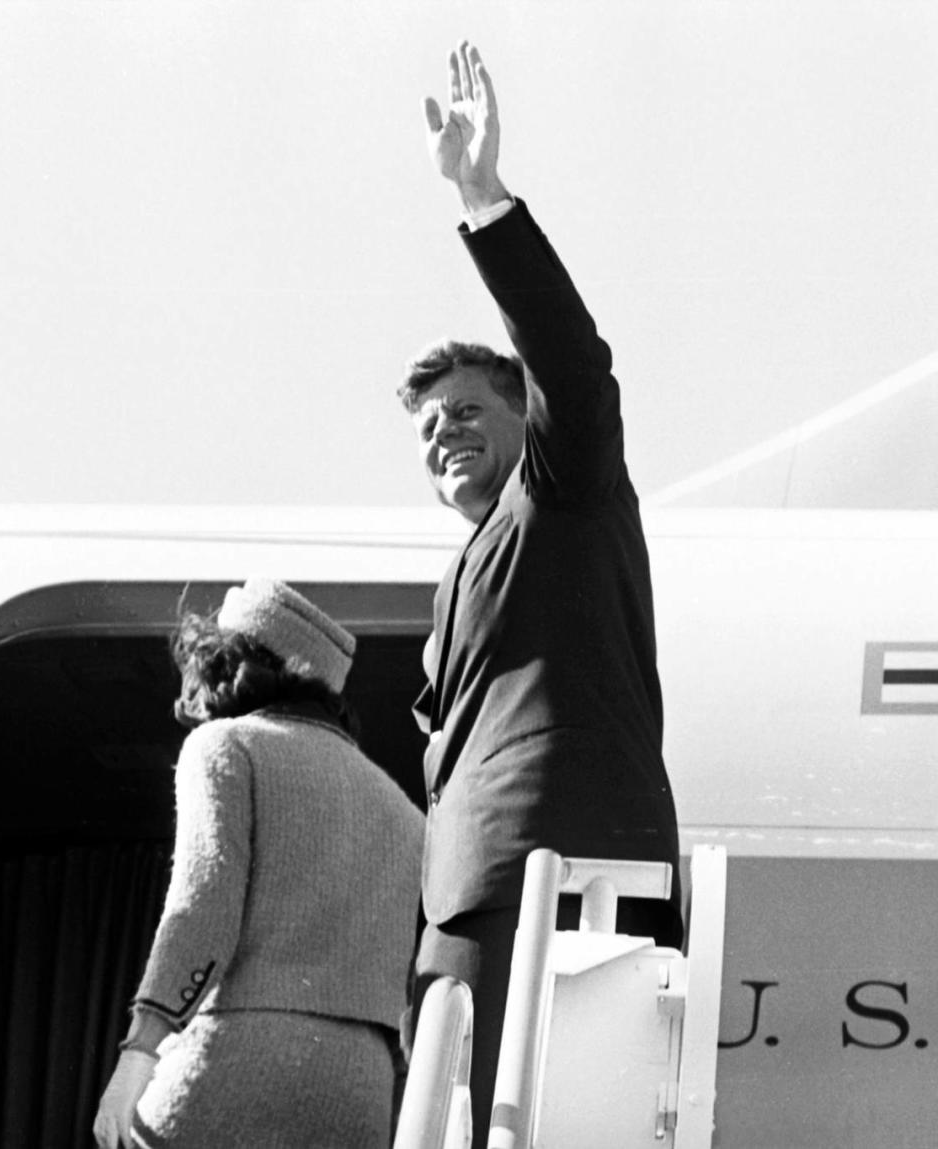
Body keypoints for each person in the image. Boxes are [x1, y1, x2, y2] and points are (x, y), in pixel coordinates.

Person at [398, 43, 683, 1145]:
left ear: (523, 423)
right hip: (467, 898)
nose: (445, 434)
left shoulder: (561, 494)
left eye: (468, 409)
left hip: (559, 872)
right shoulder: (461, 573)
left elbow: (573, 358)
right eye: (428, 429)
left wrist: (482, 200)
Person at [93, 578, 424, 1149]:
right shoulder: (404, 811)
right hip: (361, 1092)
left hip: (240, 1064)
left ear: (228, 665)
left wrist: (138, 1053)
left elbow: (201, 912)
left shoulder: (224, 746)